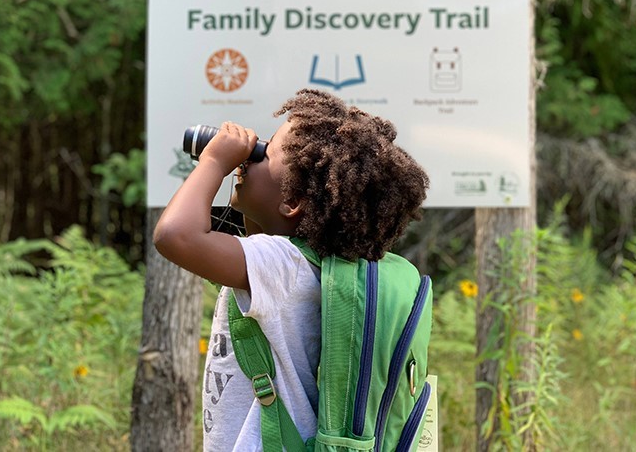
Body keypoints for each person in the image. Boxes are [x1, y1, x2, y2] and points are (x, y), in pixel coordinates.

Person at [153, 88, 429, 451]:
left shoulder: (281, 267)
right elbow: (260, 229)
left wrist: (215, 162)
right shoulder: (304, 266)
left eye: (264, 153)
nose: (249, 156)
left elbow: (175, 236)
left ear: (292, 202)